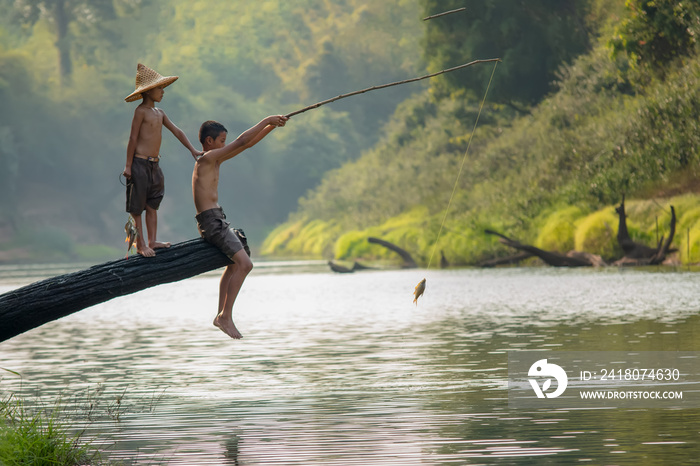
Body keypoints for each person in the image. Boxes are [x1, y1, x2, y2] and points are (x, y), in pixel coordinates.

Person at [193, 115, 288, 339]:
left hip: (217, 218)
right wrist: (267, 119)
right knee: (245, 264)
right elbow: (242, 141)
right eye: (222, 141)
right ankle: (225, 315)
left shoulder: (215, 160)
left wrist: (272, 127)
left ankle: (220, 315)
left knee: (235, 262)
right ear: (209, 141)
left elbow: (248, 144)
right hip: (211, 221)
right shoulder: (205, 160)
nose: (225, 145)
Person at [123, 63, 202, 257]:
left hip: (154, 164)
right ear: (148, 91)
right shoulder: (140, 111)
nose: (162, 92)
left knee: (152, 205)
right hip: (139, 163)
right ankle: (140, 245)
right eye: (159, 88)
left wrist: (192, 150)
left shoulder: (160, 113)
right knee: (137, 208)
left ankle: (152, 241)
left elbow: (177, 131)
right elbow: (132, 138)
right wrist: (128, 165)